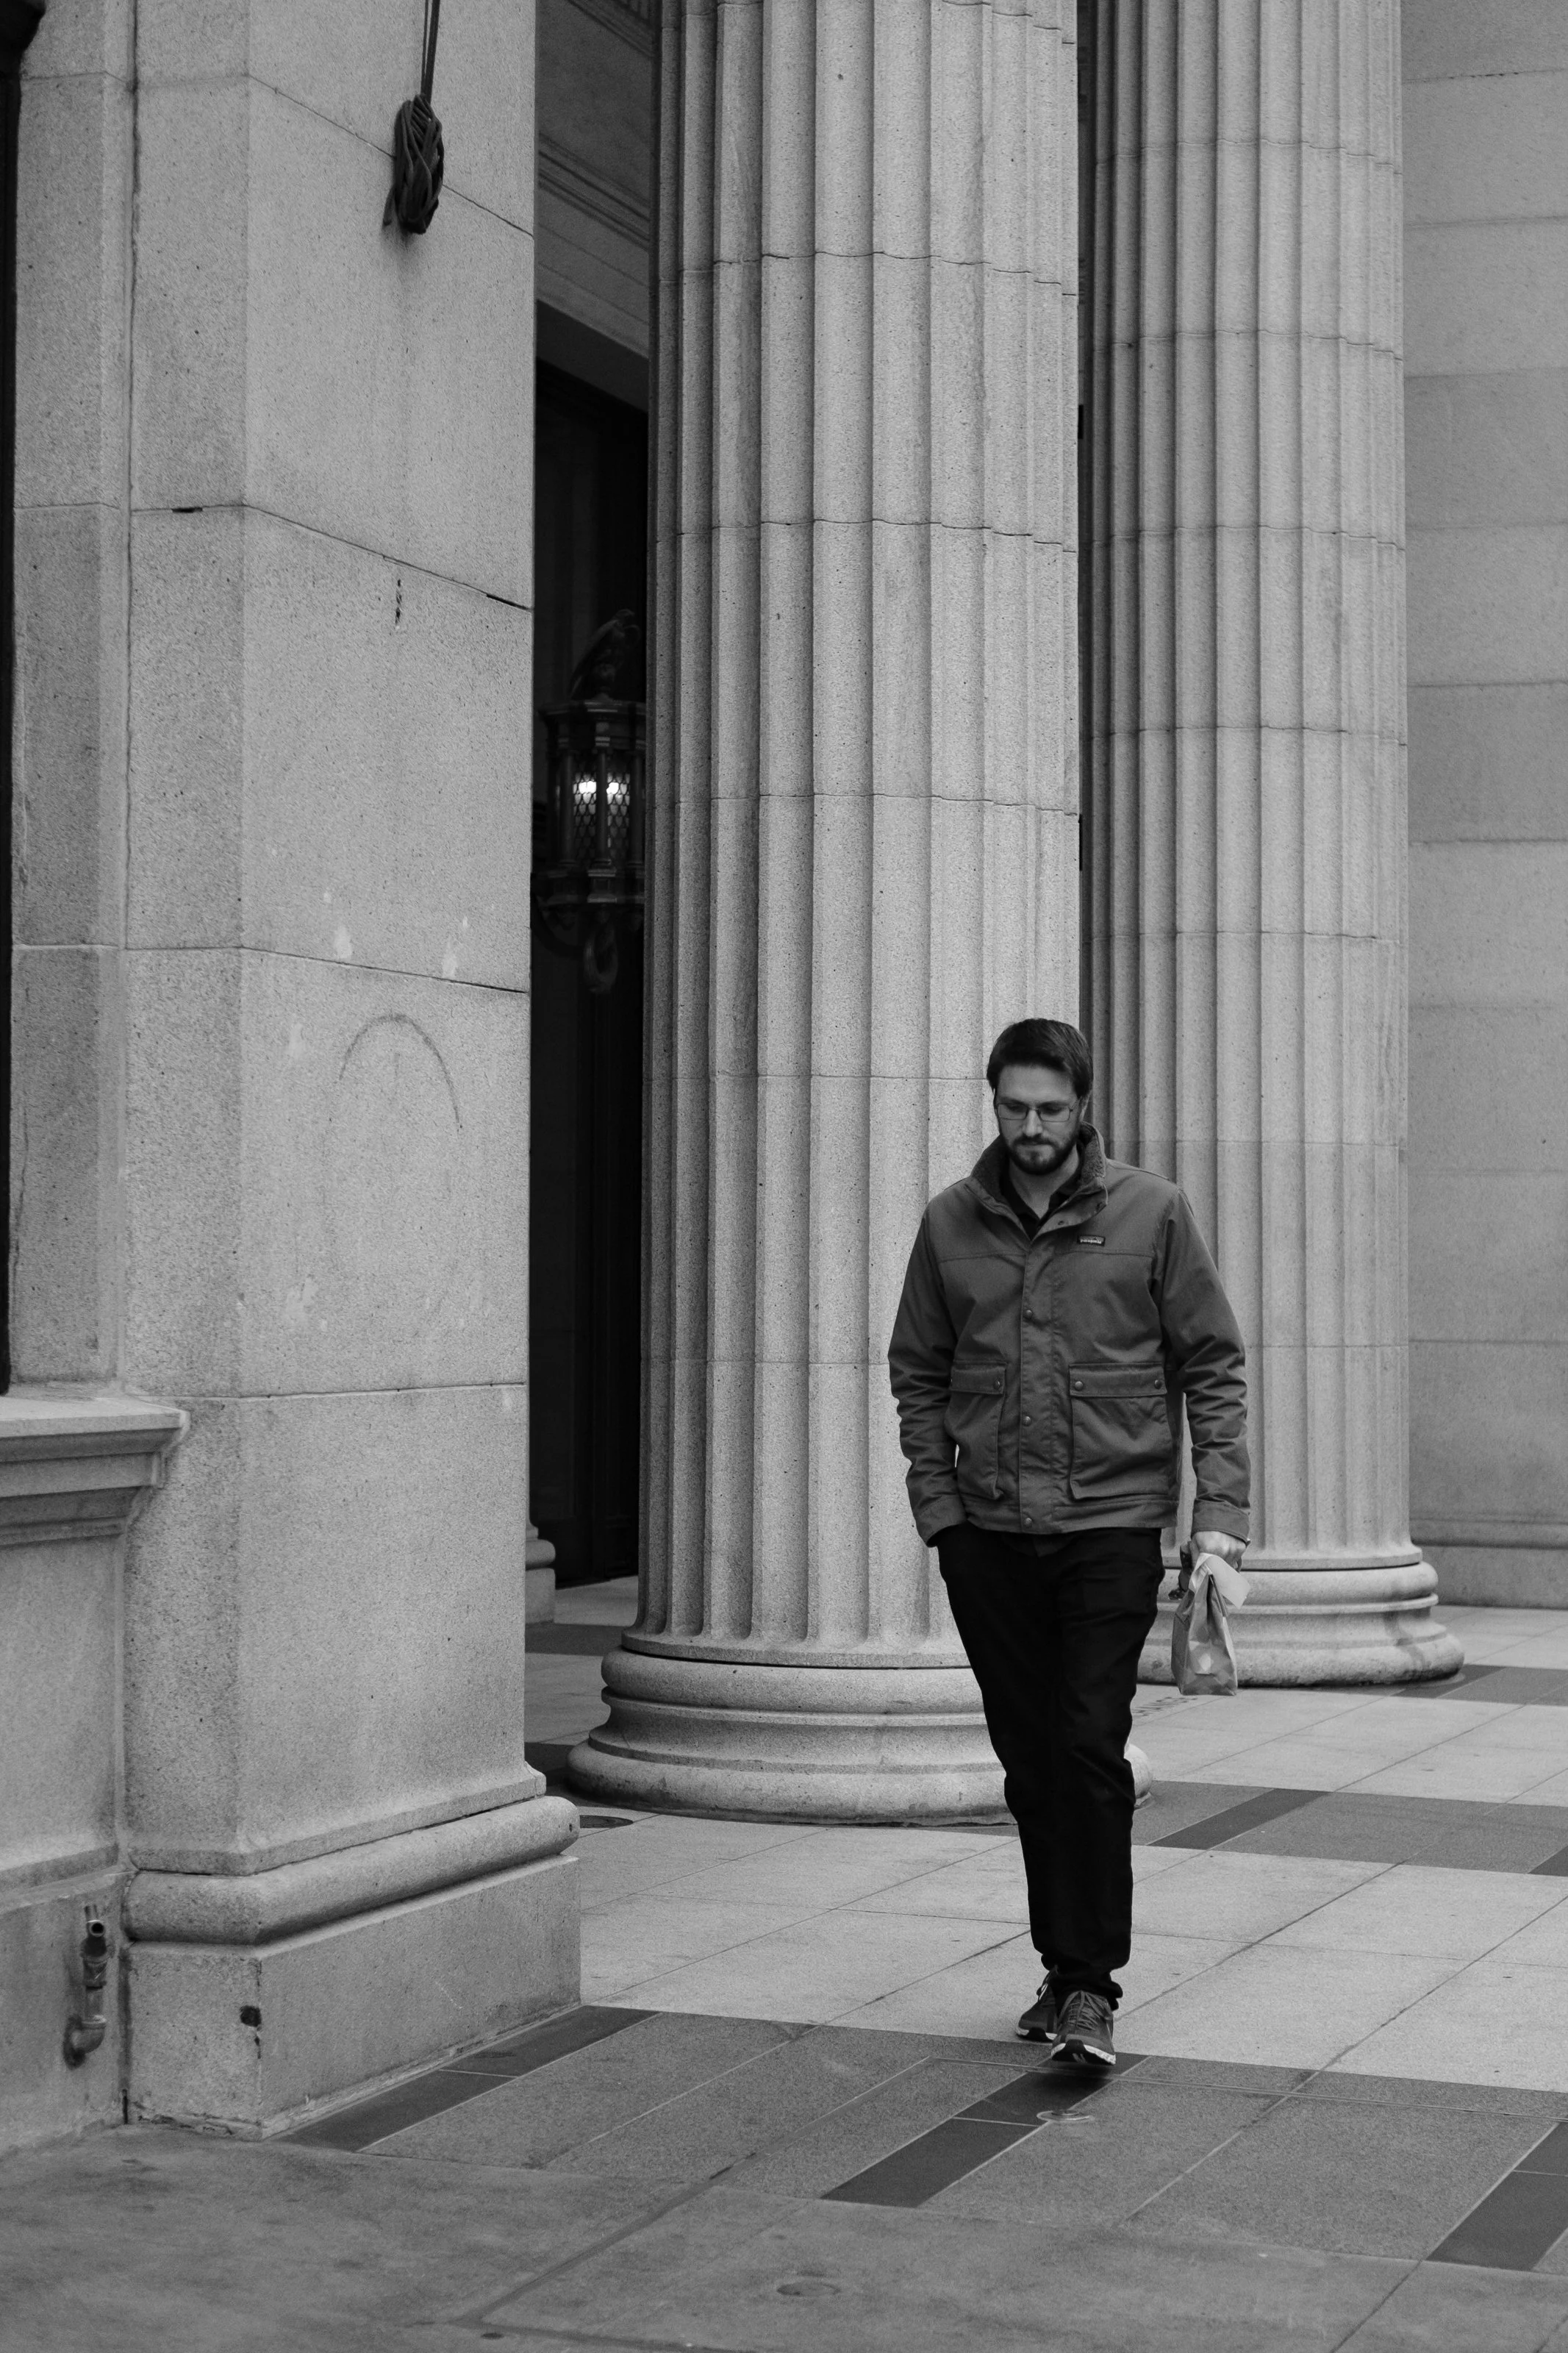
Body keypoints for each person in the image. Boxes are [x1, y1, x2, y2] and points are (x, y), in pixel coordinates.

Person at [888, 1018, 1249, 2069]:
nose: (1032, 1127)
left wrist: (1216, 1521)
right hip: (989, 1534)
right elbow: (917, 1367)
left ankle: (1092, 1983)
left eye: (1050, 1108)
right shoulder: (951, 1221)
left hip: (1110, 1526)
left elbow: (1213, 1367)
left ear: (1084, 1105)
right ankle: (1060, 1964)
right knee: (1030, 1759)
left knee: (1089, 1745)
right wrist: (941, 1510)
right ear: (993, 1104)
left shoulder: (1153, 1212)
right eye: (1014, 1109)